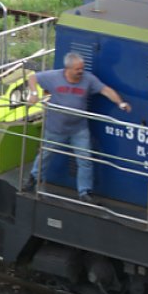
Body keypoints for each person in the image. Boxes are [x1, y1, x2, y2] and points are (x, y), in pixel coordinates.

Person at [22, 52, 132, 203]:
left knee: (85, 160)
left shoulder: (88, 79)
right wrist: (33, 93)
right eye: (77, 69)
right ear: (68, 68)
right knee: (45, 156)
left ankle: (84, 192)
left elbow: (105, 90)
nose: (80, 71)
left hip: (78, 129)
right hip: (55, 128)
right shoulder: (53, 77)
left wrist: (120, 103)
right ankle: (33, 180)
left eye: (82, 68)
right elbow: (33, 77)